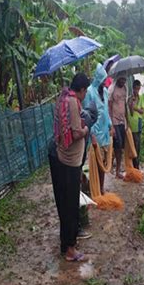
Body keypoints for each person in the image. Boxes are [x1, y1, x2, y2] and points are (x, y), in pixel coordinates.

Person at [49, 73, 90, 262]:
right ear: (81, 90)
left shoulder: (62, 97)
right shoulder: (72, 102)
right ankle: (70, 249)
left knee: (64, 202)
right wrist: (86, 129)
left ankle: (66, 244)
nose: (85, 95)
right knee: (70, 205)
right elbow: (75, 133)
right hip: (69, 160)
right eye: (85, 91)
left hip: (61, 157)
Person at [87, 64, 114, 194]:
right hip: (95, 134)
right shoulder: (89, 92)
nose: (104, 83)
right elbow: (86, 115)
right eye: (102, 80)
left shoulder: (104, 91)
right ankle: (95, 189)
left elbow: (106, 111)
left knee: (103, 163)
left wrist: (110, 125)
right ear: (98, 79)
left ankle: (101, 188)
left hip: (104, 132)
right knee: (96, 164)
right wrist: (91, 134)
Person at [108, 76, 127, 179]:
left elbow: (125, 105)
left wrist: (126, 121)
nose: (123, 81)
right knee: (117, 146)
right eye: (122, 79)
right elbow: (109, 107)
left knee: (121, 147)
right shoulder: (112, 89)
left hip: (122, 121)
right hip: (114, 121)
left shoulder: (125, 88)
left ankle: (116, 169)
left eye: (124, 80)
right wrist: (111, 125)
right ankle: (115, 170)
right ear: (118, 78)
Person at [128, 79, 144, 169]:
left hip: (138, 123)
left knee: (137, 145)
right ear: (133, 88)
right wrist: (131, 105)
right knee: (132, 145)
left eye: (138, 89)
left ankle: (136, 165)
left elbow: (142, 111)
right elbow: (130, 112)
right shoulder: (130, 98)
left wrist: (135, 107)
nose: (137, 91)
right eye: (135, 89)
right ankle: (133, 165)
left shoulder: (141, 98)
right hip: (131, 124)